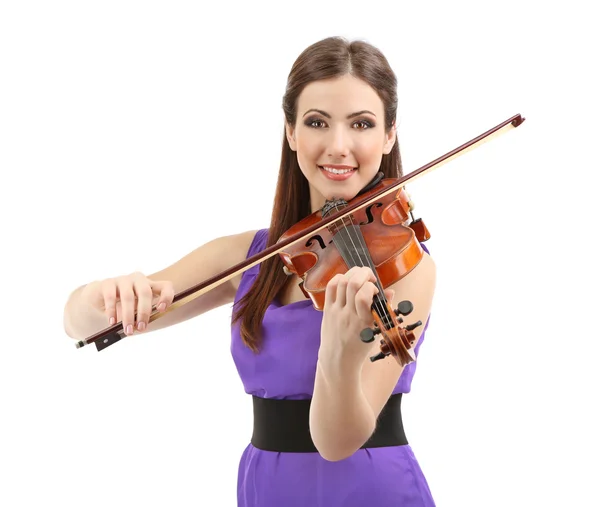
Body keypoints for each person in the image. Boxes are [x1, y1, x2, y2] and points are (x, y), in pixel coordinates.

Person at [63, 36, 437, 506]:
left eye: (361, 124)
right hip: (269, 488)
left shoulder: (407, 268)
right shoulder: (253, 256)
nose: (338, 146)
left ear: (388, 135)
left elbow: (338, 442)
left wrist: (340, 352)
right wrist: (106, 294)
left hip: (371, 489)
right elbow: (80, 322)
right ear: (291, 132)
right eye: (317, 122)